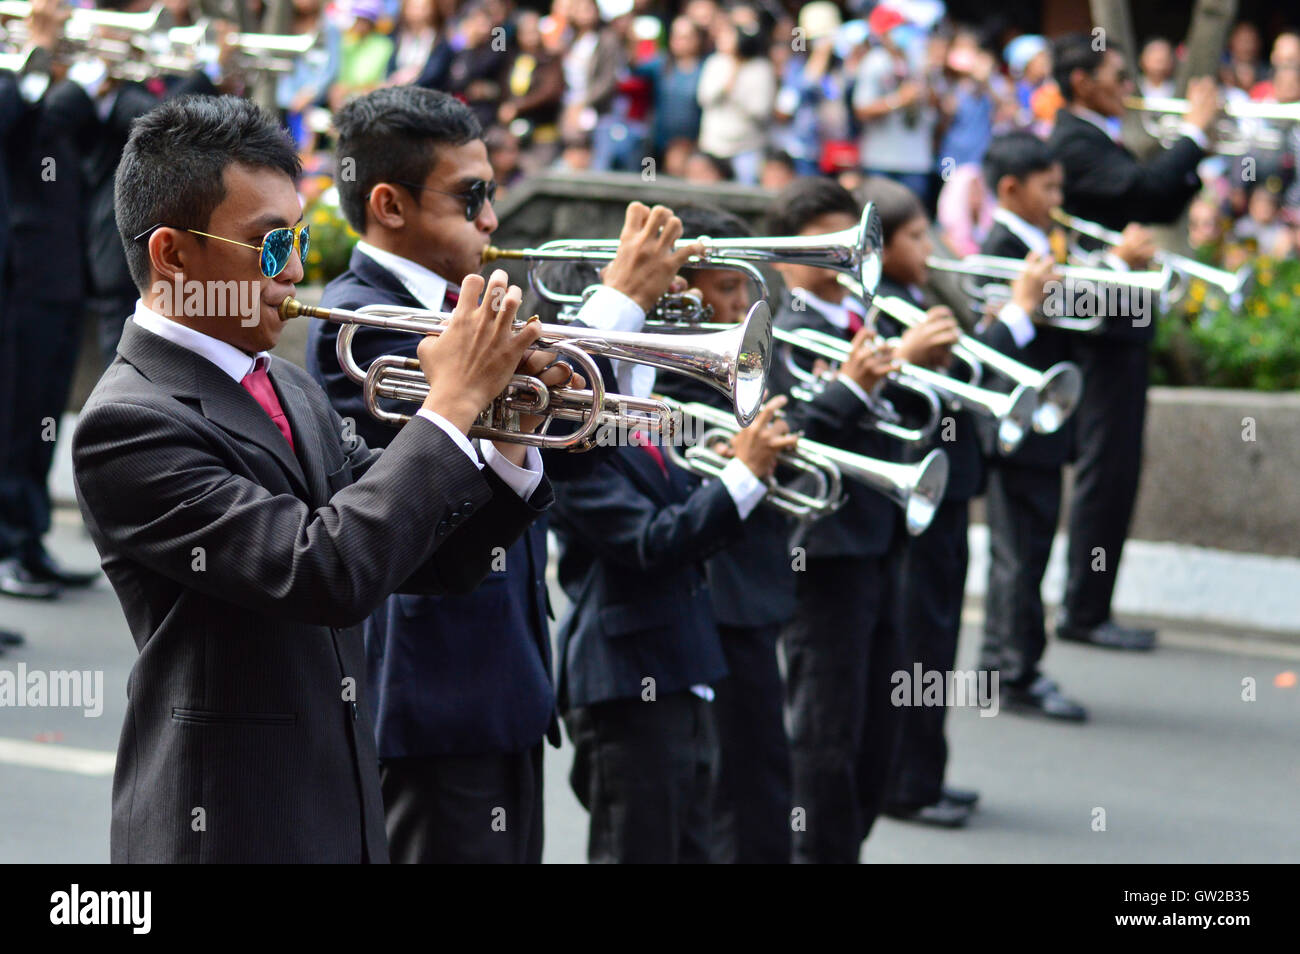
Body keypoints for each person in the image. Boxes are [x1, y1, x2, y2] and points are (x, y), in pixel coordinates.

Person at [72, 95, 561, 863]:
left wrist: (506, 433)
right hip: (228, 824)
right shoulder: (128, 421)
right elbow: (323, 570)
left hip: (339, 811)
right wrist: (452, 403)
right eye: (268, 247)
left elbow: (428, 554)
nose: (295, 270)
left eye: (297, 240)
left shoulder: (287, 386)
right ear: (171, 255)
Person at [308, 85, 695, 863]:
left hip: (505, 684)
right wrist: (615, 304)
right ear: (389, 204)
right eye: (470, 195)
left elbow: (573, 437)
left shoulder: (470, 304)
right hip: (432, 696)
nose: (491, 218)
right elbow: (418, 489)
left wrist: (636, 338)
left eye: (493, 192)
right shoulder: (361, 317)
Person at [551, 390, 796, 863]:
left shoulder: (643, 420)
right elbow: (651, 541)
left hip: (686, 668)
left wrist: (723, 473)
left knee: (693, 848)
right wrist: (739, 478)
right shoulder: (574, 438)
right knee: (639, 850)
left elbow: (681, 516)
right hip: (625, 680)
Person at [1046, 34, 1216, 651]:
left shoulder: (1094, 137)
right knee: (1106, 469)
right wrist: (1192, 133)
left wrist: (1198, 148)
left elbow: (1162, 200)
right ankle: (1084, 611)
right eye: (1118, 75)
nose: (1129, 87)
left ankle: (1091, 606)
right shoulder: (1074, 140)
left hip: (1118, 321)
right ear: (1082, 82)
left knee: (1115, 468)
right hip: (1103, 326)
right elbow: (1142, 193)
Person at [765, 177, 904, 861]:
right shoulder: (778, 331)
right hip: (821, 553)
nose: (842, 263)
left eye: (849, 245)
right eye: (825, 246)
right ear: (790, 253)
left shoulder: (859, 322)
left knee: (876, 733)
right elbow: (784, 438)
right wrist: (852, 387)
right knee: (825, 733)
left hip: (880, 540)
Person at [656, 204, 798, 863]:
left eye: (746, 288)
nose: (741, 305)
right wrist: (742, 458)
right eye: (725, 290)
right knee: (722, 786)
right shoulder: (660, 365)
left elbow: (791, 430)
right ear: (681, 290)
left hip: (754, 585)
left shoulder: (757, 353)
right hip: (706, 588)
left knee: (762, 768)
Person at [850, 176, 979, 828]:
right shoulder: (885, 308)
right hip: (912, 492)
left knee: (938, 640)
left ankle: (926, 770)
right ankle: (907, 781)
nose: (931, 247)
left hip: (943, 488)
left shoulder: (917, 295)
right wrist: (912, 357)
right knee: (919, 644)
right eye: (917, 237)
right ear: (884, 245)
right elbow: (889, 401)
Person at [972, 133, 1088, 721]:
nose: (1058, 197)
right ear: (1012, 190)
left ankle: (1006, 664)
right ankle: (1012, 672)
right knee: (1020, 553)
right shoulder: (1002, 249)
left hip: (1040, 422)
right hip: (1019, 423)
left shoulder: (1038, 245)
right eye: (1049, 188)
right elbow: (993, 345)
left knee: (1024, 551)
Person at [851, 4, 937, 203]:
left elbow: (937, 106)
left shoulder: (921, 60)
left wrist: (929, 77)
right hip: (881, 161)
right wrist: (898, 100)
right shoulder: (874, 62)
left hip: (916, 161)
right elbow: (861, 109)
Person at [696, 9, 775, 185]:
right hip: (714, 145)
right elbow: (704, 98)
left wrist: (737, 94)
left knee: (745, 193)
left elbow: (761, 111)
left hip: (747, 147)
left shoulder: (761, 68)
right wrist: (728, 82)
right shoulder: (715, 63)